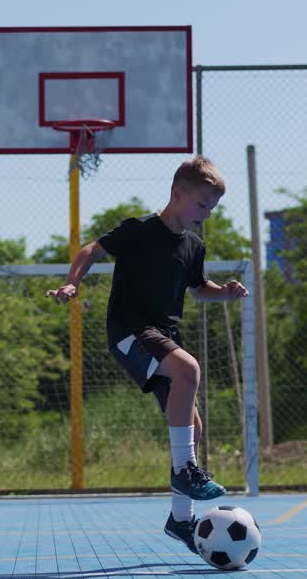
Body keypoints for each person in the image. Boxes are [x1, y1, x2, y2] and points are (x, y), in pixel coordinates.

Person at [46, 155, 249, 552]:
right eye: (202, 205)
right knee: (188, 369)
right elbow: (92, 249)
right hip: (130, 331)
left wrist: (221, 292)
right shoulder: (139, 230)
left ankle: (179, 519)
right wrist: (72, 283)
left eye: (212, 208)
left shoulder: (193, 244)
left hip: (162, 333)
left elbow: (198, 286)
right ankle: (185, 470)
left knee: (193, 426)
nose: (206, 214)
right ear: (178, 194)